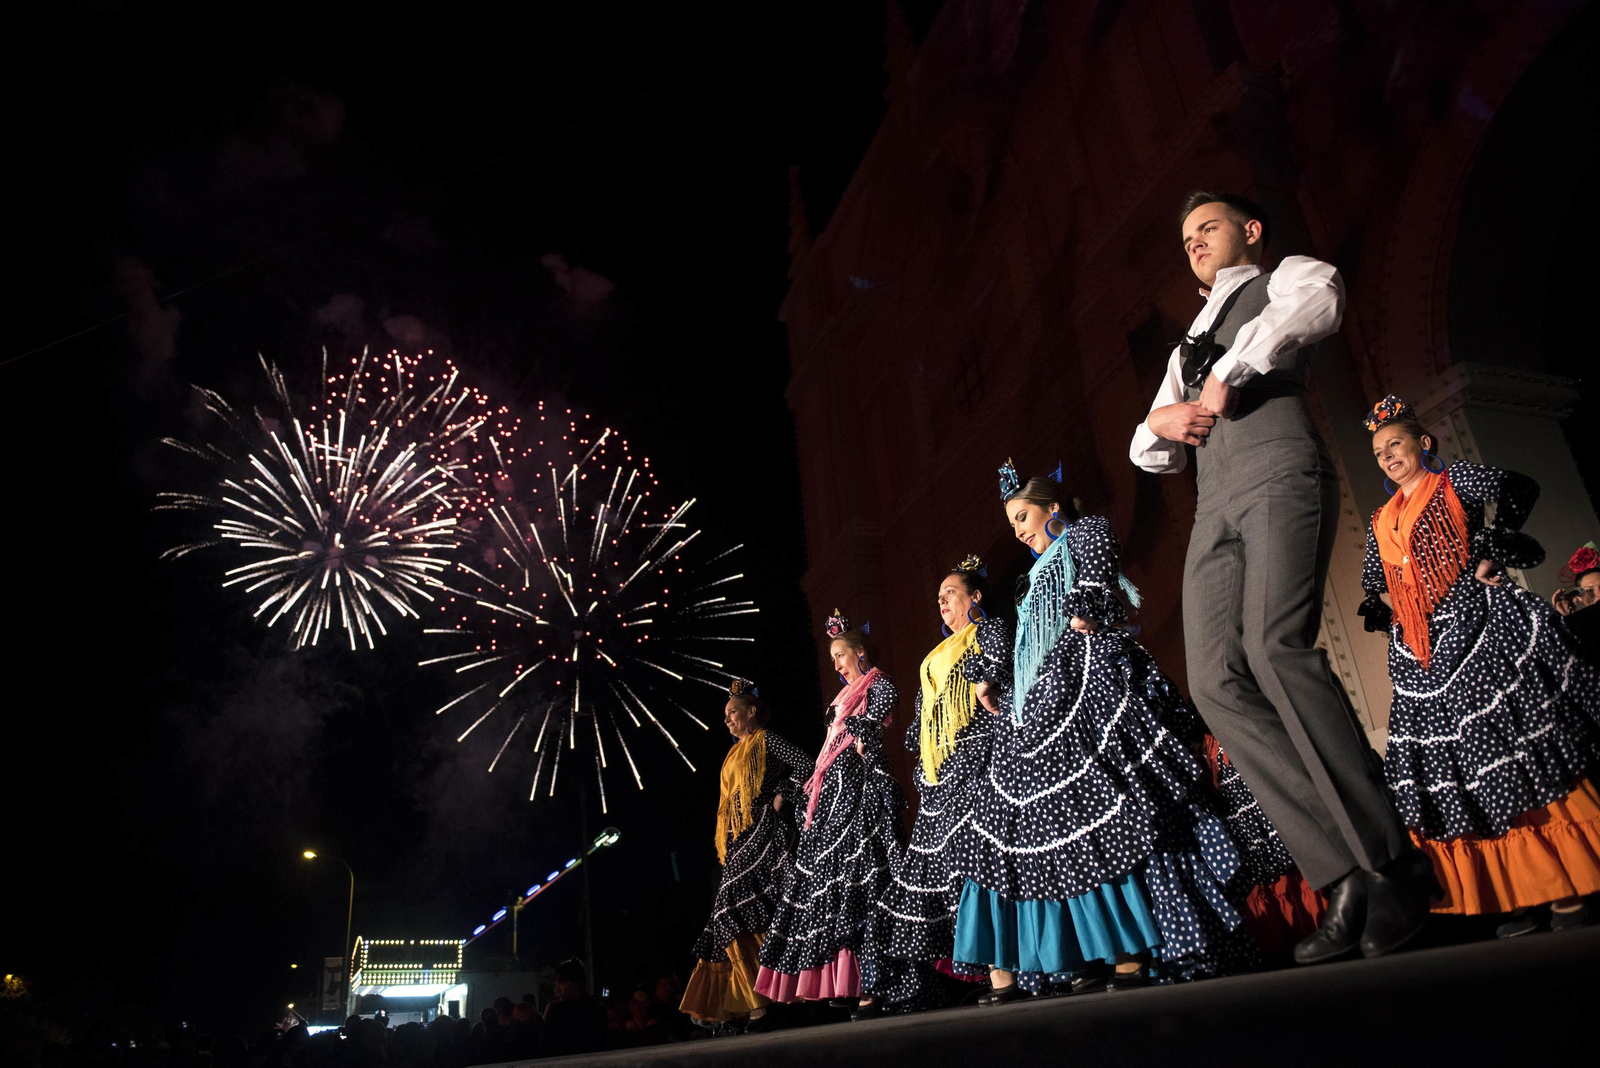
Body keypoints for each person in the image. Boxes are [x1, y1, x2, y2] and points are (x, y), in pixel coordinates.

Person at [1129, 190, 1433, 963]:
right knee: (1215, 682)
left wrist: (1235, 366)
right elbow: (1153, 447)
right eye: (1187, 235)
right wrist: (1158, 422)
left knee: (1276, 647)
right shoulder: (1183, 347)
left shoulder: (1281, 276)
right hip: (1214, 506)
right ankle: (1342, 876)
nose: (1195, 242)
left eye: (1210, 228)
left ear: (1249, 231)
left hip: (1278, 472)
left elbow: (1321, 298)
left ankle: (1392, 865)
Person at [951, 463, 1254, 1003]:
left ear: (1052, 507)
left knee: (1109, 800)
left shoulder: (1086, 533)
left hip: (1091, 678)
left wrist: (1083, 610)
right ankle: (1087, 949)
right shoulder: (1030, 577)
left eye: (1024, 516)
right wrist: (1000, 682)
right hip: (1044, 693)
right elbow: (1027, 640)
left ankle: (1134, 947)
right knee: (1049, 818)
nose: (1019, 530)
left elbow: (1092, 591)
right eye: (1014, 522)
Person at [1359, 397, 1600, 935]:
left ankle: (1575, 876)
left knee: (1515, 748)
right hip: (1423, 658)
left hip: (1478, 633)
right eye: (1378, 451)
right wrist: (1391, 608)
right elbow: (1375, 584)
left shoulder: (1452, 482)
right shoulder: (1380, 518)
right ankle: (1521, 888)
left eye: (1395, 443)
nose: (1387, 456)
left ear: (1423, 443)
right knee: (1467, 772)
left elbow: (1519, 489)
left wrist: (1489, 551)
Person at [868, 556, 1004, 1011]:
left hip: (979, 755)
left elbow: (1000, 666)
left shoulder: (986, 632)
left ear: (975, 596)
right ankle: (986, 971)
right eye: (939, 596)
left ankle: (1008, 969)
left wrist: (986, 684)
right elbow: (927, 716)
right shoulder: (937, 654)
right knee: (947, 873)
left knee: (981, 861)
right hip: (941, 773)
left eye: (951, 592)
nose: (942, 601)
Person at [754, 612, 905, 1019]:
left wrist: (863, 735)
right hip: (833, 795)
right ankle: (851, 983)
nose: (837, 664)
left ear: (859, 652)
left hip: (859, 790)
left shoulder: (878, 684)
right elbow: (828, 752)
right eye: (833, 657)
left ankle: (878, 983)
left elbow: (871, 732)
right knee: (834, 888)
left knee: (861, 882)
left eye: (841, 655)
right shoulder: (841, 700)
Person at [679, 679, 813, 1030]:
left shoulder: (766, 739)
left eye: (732, 712)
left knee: (739, 912)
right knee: (742, 916)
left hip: (766, 835)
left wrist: (782, 795)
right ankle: (756, 1000)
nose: (727, 720)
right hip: (742, 841)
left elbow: (806, 764)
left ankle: (760, 1003)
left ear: (752, 711)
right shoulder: (733, 753)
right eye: (725, 715)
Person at [538, 958, 606, 1057]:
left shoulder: (594, 1011)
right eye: (556, 984)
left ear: (576, 984)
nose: (557, 989)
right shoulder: (554, 1009)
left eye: (562, 984)